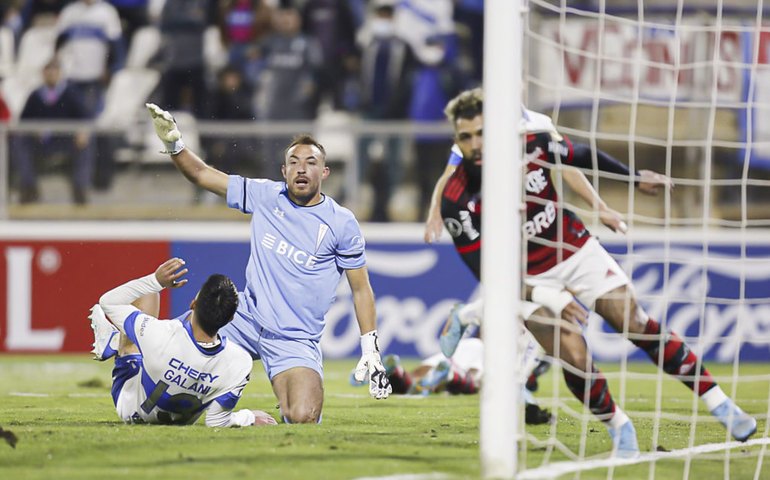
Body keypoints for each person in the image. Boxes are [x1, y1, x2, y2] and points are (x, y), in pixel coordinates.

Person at [437, 88, 757, 456]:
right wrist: (548, 296)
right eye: (466, 137)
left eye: (482, 133)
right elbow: (489, 273)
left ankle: (720, 403)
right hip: (525, 278)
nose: (476, 144)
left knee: (632, 320)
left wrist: (633, 178)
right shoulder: (457, 198)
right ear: (456, 140)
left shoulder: (533, 141)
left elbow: (581, 156)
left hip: (572, 248)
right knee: (573, 353)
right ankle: (620, 428)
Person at [145, 103, 392, 424]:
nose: (302, 168)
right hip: (244, 320)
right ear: (284, 171)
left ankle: (245, 417)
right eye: (294, 162)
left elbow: (361, 290)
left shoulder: (342, 223)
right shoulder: (265, 196)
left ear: (325, 172)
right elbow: (203, 174)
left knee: (302, 416)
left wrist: (370, 349)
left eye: (311, 162)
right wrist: (174, 144)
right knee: (163, 354)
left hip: (294, 338)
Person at [89, 257, 277, 427]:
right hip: (180, 419)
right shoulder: (240, 362)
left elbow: (109, 302)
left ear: (192, 303)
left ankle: (115, 341)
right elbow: (216, 421)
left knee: (149, 294)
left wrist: (155, 281)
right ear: (230, 320)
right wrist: (248, 417)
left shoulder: (160, 332)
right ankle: (115, 341)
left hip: (130, 408)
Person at [12, 57, 95, 204]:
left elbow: (85, 117)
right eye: (48, 70)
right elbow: (23, 121)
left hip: (66, 140)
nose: (51, 74)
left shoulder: (71, 94)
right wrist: (33, 130)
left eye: (54, 70)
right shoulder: (35, 96)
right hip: (41, 142)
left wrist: (82, 132)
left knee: (87, 144)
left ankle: (80, 188)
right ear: (43, 73)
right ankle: (29, 187)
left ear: (60, 73)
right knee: (20, 142)